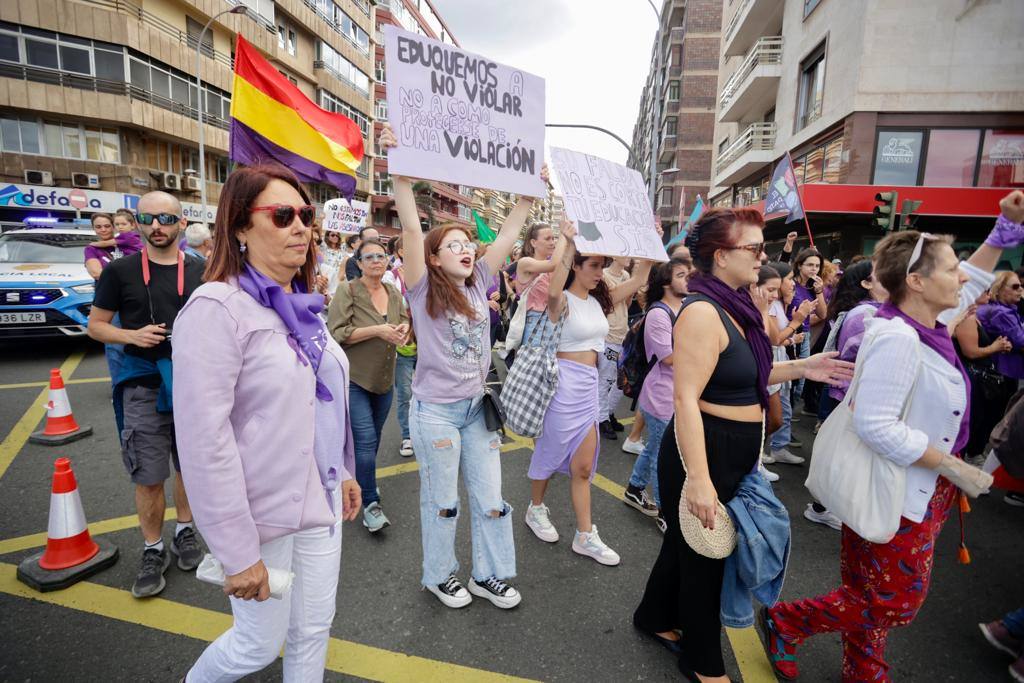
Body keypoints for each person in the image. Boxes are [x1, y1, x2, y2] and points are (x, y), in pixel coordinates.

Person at [762, 191, 1024, 682]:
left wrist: (1006, 227)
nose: (963, 277)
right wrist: (953, 466)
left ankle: (864, 669)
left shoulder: (929, 319)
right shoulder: (899, 337)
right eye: (951, 269)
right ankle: (787, 621)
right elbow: (877, 426)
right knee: (894, 601)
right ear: (917, 282)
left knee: (867, 585)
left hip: (910, 480)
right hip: (900, 483)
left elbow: (980, 276)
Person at [633, 207, 853, 682]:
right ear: (721, 255)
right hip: (703, 447)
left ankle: (652, 617)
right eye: (754, 248)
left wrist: (800, 367)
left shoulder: (738, 305)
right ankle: (703, 662)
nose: (763, 256)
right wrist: (698, 479)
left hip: (733, 448)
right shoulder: (701, 313)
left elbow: (745, 377)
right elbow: (686, 399)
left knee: (684, 544)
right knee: (706, 558)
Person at [172, 164, 360, 681]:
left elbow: (323, 403)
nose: (302, 226)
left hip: (319, 501)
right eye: (282, 215)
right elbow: (203, 442)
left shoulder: (302, 308)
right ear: (238, 228)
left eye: (306, 214)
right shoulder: (216, 309)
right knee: (256, 646)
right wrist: (236, 552)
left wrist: (343, 470)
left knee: (313, 630)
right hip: (260, 517)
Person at [381, 124, 531, 609]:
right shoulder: (423, 288)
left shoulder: (478, 282)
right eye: (454, 244)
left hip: (475, 410)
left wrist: (529, 197)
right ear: (432, 257)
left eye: (469, 242)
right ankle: (439, 574)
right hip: (436, 414)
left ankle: (489, 574)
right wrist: (399, 171)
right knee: (443, 504)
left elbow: (508, 233)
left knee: (492, 499)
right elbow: (409, 229)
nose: (467, 248)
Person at [86, 191, 205, 598]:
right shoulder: (120, 271)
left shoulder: (202, 269)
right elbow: (96, 326)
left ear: (182, 224)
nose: (157, 226)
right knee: (149, 475)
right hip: (143, 384)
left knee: (189, 467)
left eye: (166, 219)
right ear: (138, 223)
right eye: (148, 218)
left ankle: (185, 533)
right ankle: (154, 548)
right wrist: (131, 334)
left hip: (194, 386)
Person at [523, 221, 654, 566]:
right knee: (548, 455)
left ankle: (585, 534)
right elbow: (553, 290)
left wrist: (648, 241)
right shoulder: (561, 299)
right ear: (576, 266)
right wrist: (566, 242)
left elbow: (640, 280)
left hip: (589, 389)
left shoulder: (600, 302)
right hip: (561, 385)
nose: (599, 272)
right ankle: (535, 509)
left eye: (600, 265)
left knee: (583, 468)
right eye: (593, 265)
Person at [328, 238, 408, 533]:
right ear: (359, 263)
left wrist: (402, 331)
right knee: (365, 441)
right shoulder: (348, 290)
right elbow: (336, 333)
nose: (377, 260)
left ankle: (361, 483)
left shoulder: (392, 291)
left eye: (381, 255)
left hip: (384, 379)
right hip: (355, 379)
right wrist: (377, 330)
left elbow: (403, 325)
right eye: (369, 257)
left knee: (369, 443)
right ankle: (371, 504)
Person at [801, 259, 888, 530]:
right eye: (881, 275)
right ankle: (824, 506)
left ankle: (825, 505)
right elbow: (867, 359)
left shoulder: (872, 311)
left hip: (851, 393)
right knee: (844, 456)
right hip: (851, 394)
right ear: (865, 284)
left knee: (846, 455)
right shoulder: (866, 315)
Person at [622, 255, 691, 532]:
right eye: (682, 275)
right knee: (666, 456)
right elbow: (670, 358)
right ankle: (664, 510)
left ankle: (634, 489)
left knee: (655, 447)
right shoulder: (659, 314)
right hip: (662, 396)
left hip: (679, 394)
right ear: (665, 282)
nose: (689, 279)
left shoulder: (687, 307)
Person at [955, 289, 1015, 464]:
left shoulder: (974, 315)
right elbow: (971, 352)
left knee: (979, 421)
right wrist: (995, 347)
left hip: (977, 377)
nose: (989, 294)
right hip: (972, 378)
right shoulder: (967, 317)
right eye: (985, 290)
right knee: (972, 422)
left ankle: (971, 457)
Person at [763, 262, 811, 467]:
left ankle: (773, 450)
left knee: (783, 410)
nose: (793, 283)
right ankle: (758, 454)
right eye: (789, 279)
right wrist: (797, 320)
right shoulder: (769, 306)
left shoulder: (779, 303)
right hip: (771, 359)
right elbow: (774, 339)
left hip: (779, 357)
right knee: (774, 416)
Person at [383, 236, 417, 458]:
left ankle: (425, 431)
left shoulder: (430, 275)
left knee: (430, 392)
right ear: (401, 252)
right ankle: (408, 436)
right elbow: (389, 307)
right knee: (405, 393)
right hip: (405, 345)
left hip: (429, 344)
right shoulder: (390, 277)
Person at [598, 257, 633, 439]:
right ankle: (601, 418)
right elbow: (611, 300)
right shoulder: (602, 276)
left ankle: (609, 412)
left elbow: (627, 305)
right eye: (625, 253)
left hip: (623, 335)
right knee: (606, 379)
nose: (629, 257)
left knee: (621, 381)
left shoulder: (627, 275)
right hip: (608, 336)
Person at [788, 247, 827, 409]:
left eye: (817, 266)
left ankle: (788, 418)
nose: (814, 269)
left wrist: (819, 292)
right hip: (790, 335)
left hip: (805, 336)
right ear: (799, 266)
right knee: (790, 381)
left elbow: (823, 314)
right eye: (810, 265)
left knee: (801, 382)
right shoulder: (790, 285)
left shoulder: (813, 287)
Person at [978, 270, 1024, 383]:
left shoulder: (995, 308)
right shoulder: (1001, 312)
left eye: (1021, 286)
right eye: (1015, 286)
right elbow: (1021, 341)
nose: (1021, 289)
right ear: (998, 289)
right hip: (1005, 372)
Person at [319, 229, 347, 294]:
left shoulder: (342, 249)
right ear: (327, 236)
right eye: (333, 235)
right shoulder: (323, 247)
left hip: (339, 278)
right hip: (326, 278)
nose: (335, 237)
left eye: (337, 236)